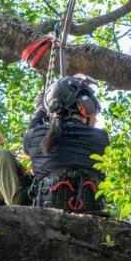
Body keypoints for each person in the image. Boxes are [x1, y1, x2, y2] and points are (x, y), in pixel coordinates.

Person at [23, 76, 109, 215]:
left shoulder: (35, 136)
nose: (95, 117)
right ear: (84, 106)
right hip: (92, 220)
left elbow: (31, 133)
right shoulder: (101, 138)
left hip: (45, 219)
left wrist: (40, 111)